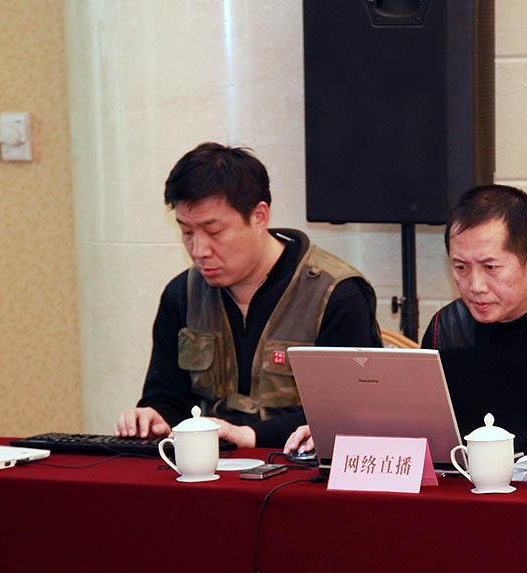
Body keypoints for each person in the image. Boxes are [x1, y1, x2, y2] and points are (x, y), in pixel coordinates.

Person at [285, 184, 527, 456]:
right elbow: (420, 437)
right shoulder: (447, 330)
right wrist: (343, 435)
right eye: (461, 268)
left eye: (491, 267)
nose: (475, 286)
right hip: (471, 508)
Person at [115, 142, 380, 448]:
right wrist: (154, 417)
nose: (198, 251)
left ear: (259, 216)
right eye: (186, 232)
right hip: (207, 465)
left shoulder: (335, 294)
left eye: (213, 232)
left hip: (297, 466)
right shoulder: (183, 294)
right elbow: (168, 396)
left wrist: (251, 436)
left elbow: (351, 413)